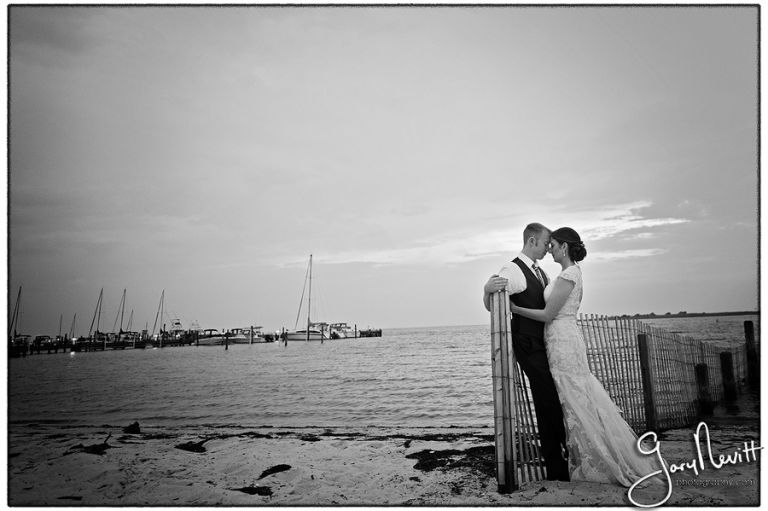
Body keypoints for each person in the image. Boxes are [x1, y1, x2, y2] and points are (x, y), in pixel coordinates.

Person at [509, 227, 660, 486]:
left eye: (553, 244)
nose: (550, 249)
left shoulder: (569, 274)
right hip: (559, 339)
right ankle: (579, 456)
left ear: (564, 247)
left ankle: (596, 458)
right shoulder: (567, 273)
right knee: (570, 398)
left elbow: (547, 315)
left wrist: (514, 308)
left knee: (574, 397)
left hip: (563, 341)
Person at [483, 222, 570, 482]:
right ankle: (556, 463)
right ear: (532, 241)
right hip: (527, 344)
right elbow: (494, 302)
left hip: (540, 343)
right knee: (548, 400)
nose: (547, 248)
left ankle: (558, 462)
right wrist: (486, 290)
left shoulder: (539, 271)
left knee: (548, 402)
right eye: (545, 243)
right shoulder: (513, 269)